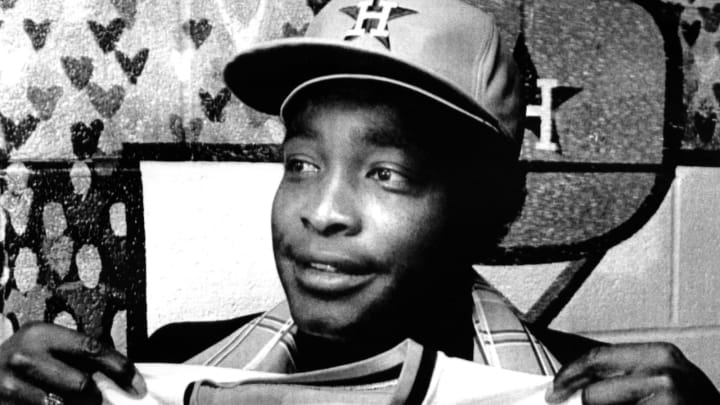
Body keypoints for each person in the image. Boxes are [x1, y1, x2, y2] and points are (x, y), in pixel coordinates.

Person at [0, 0, 718, 403]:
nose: (323, 210)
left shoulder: (600, 395)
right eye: (302, 163)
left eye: (388, 172)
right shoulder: (173, 361)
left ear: (494, 205)